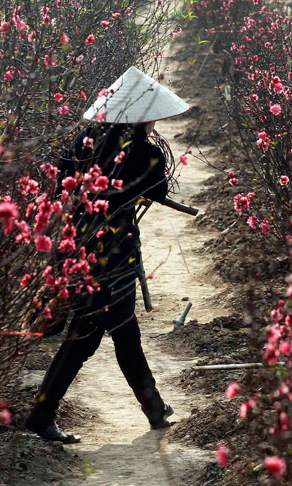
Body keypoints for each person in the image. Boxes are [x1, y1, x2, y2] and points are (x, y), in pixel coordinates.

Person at [24, 67, 190, 444]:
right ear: (144, 116)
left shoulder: (85, 141)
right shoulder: (148, 152)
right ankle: (41, 417)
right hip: (116, 254)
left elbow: (61, 183)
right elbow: (157, 191)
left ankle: (153, 409)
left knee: (103, 334)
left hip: (79, 246)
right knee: (99, 335)